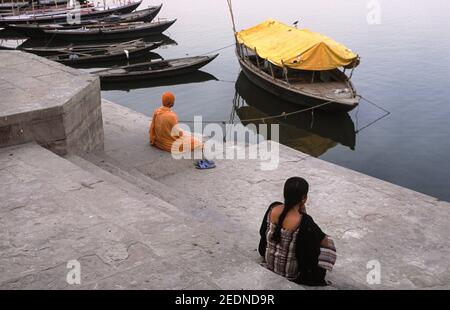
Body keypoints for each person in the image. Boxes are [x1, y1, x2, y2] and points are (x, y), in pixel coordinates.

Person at [258, 177, 337, 286]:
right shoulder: (304, 221)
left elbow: (263, 232)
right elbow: (321, 243)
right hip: (290, 274)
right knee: (328, 242)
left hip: (270, 263)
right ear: (304, 198)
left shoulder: (273, 208)